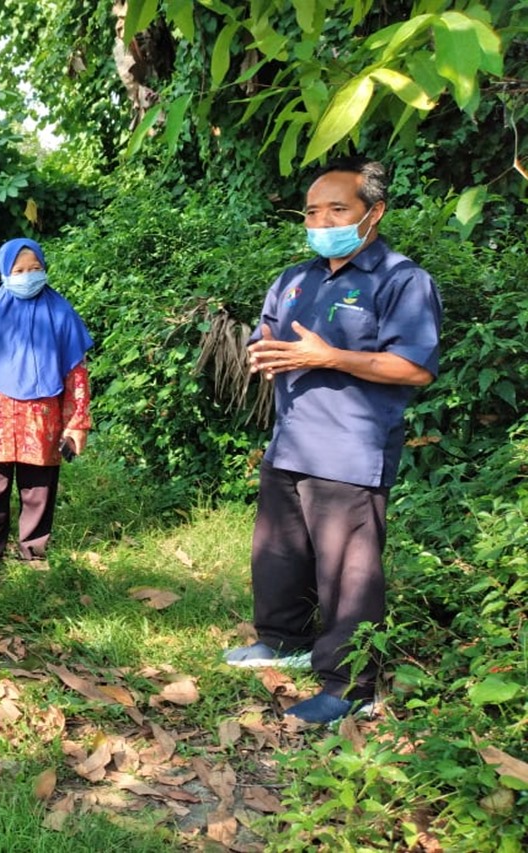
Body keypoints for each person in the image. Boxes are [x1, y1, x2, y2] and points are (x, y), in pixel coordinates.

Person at [224, 157, 442, 725]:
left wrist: (330, 356)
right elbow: (265, 334)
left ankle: (350, 686)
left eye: (337, 210)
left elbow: (414, 367)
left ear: (374, 213)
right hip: (290, 441)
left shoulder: (400, 280)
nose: (322, 221)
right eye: (313, 211)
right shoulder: (295, 279)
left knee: (348, 573)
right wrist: (262, 353)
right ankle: (283, 640)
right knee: (278, 556)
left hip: (349, 450)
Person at [0, 237, 93, 581]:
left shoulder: (61, 313)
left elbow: (77, 372)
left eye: (35, 269)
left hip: (41, 420)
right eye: (19, 270)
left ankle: (34, 555)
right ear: (4, 272)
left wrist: (77, 422)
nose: (28, 276)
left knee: (38, 490)